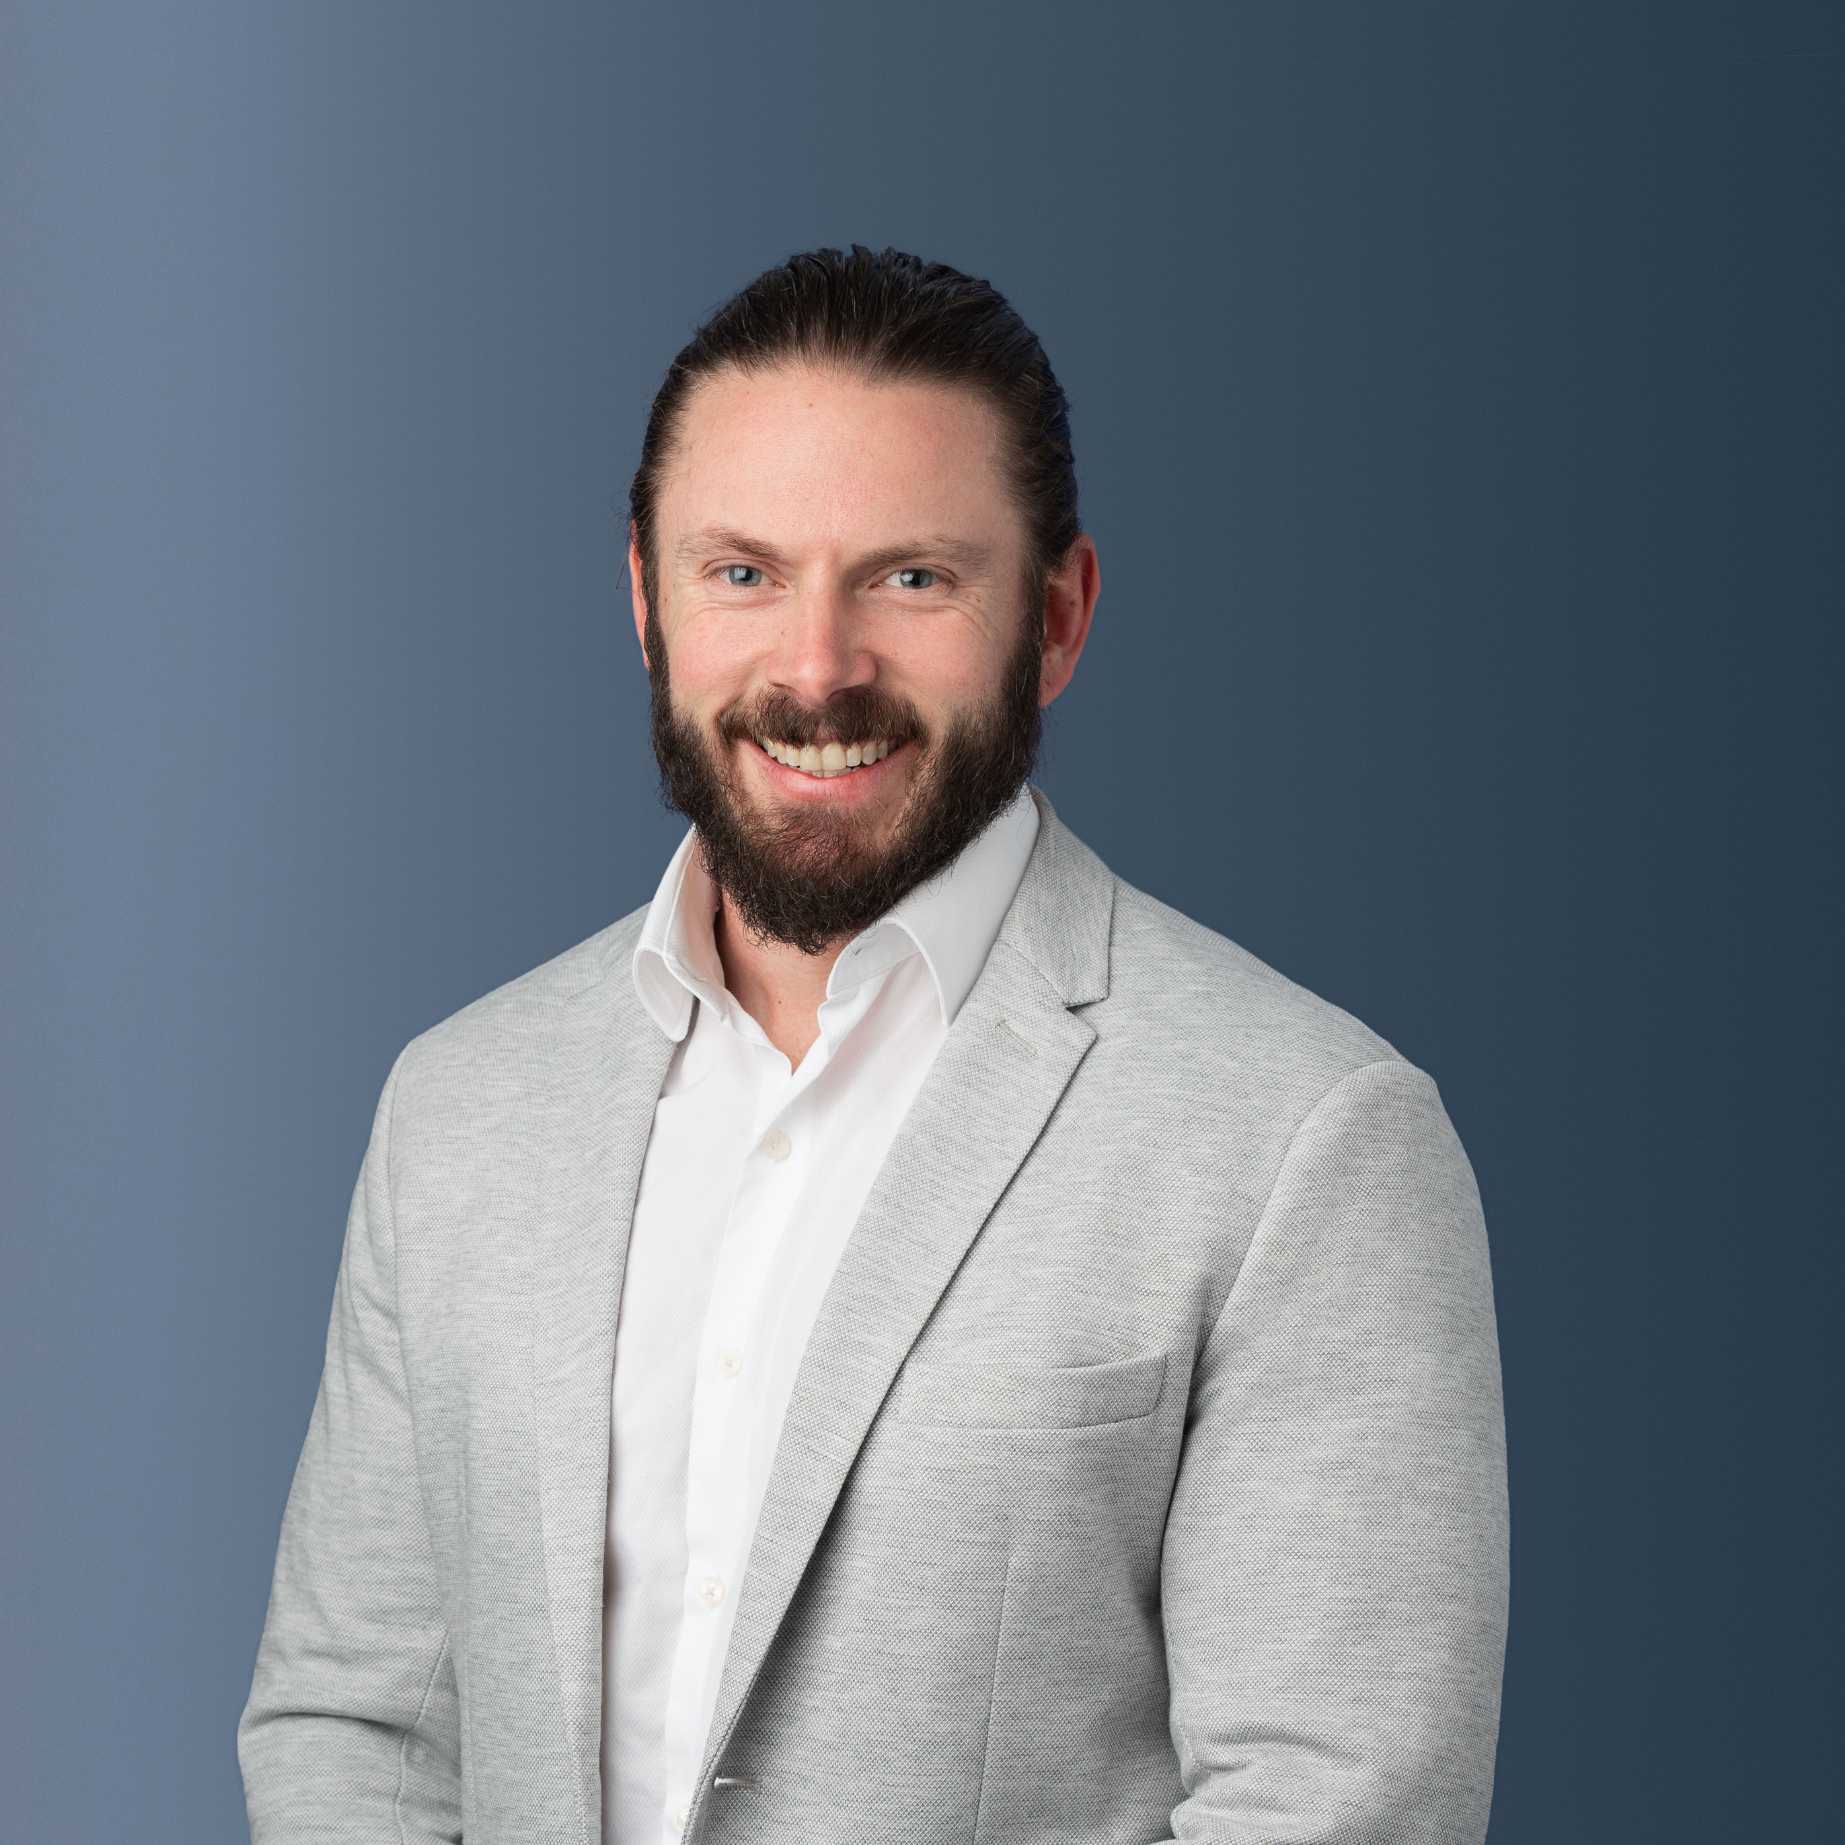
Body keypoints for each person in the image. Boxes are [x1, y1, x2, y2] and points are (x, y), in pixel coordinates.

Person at [239, 246, 1508, 1845]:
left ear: (1054, 620)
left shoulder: (1308, 1138)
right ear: (646, 601)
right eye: (744, 573)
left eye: (910, 578)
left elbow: (1341, 1809)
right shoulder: (458, 1104)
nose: (817, 667)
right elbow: (358, 1726)